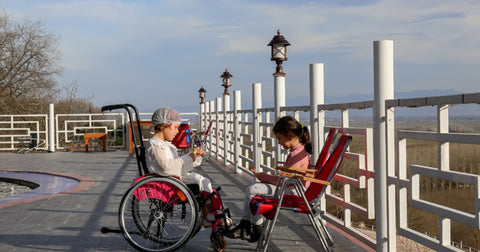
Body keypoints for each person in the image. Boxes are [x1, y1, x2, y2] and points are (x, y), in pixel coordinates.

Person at [224, 116, 312, 242]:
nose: (279, 142)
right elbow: (285, 179)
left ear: (290, 135)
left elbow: (283, 181)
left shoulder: (297, 155)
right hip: (291, 188)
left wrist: (262, 176)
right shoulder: (298, 151)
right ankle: (249, 226)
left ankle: (255, 228)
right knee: (253, 189)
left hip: (294, 192)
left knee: (252, 189)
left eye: (279, 138)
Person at [146, 107, 227, 227]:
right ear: (165, 126)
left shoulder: (162, 144)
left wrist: (193, 156)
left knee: (205, 184)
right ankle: (211, 215)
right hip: (168, 184)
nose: (177, 131)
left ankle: (211, 214)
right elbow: (166, 167)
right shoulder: (156, 145)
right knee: (203, 183)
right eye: (175, 127)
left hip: (170, 179)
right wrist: (191, 157)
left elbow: (174, 165)